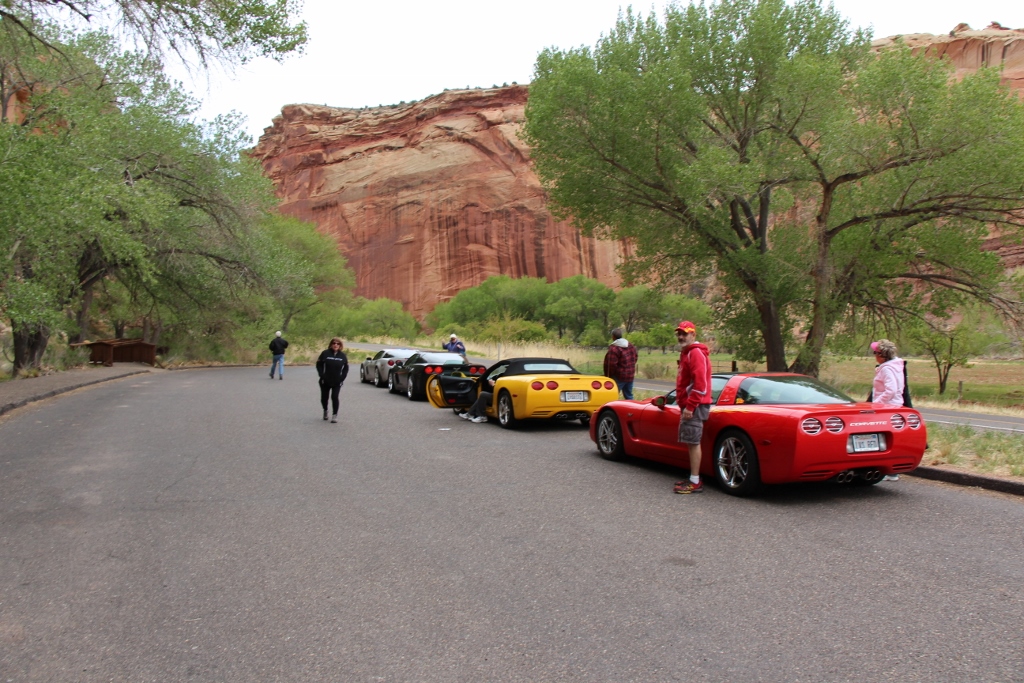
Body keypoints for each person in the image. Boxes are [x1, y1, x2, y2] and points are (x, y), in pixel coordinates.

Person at [673, 320, 713, 495]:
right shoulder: (687, 353)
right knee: (691, 441)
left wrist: (690, 406)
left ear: (693, 334)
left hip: (695, 406)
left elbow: (700, 384)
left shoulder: (695, 353)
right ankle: (693, 478)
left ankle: (695, 481)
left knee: (694, 442)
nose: (681, 336)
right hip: (690, 405)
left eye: (685, 333)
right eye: (679, 333)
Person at [870, 339, 907, 481]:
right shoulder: (896, 366)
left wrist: (877, 404)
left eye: (876, 353)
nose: (874, 355)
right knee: (891, 438)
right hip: (895, 405)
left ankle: (889, 470)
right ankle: (891, 470)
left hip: (886, 408)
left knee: (883, 439)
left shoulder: (886, 369)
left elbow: (890, 389)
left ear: (882, 355)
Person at [316, 337, 349, 423]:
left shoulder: (342, 356)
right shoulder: (325, 353)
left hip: (337, 381)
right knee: (324, 398)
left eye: (338, 344)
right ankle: (325, 410)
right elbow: (319, 364)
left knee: (334, 397)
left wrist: (342, 377)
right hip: (325, 380)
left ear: (340, 345)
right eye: (334, 343)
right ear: (331, 344)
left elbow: (346, 367)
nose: (335, 345)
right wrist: (321, 375)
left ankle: (334, 415)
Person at [603, 328, 639, 400]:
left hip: (619, 377)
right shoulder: (630, 345)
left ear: (613, 336)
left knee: (613, 395)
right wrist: (630, 367)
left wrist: (609, 375)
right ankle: (632, 410)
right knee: (629, 396)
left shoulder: (614, 349)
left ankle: (612, 410)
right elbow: (635, 357)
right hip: (630, 375)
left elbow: (611, 365)